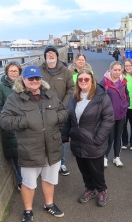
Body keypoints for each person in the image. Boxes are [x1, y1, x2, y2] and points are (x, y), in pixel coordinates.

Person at [0, 65, 68, 222]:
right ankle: (28, 210)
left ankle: (49, 204)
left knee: (50, 180)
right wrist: (24, 121)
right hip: (29, 149)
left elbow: (64, 112)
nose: (35, 81)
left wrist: (56, 118)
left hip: (52, 147)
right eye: (31, 79)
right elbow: (4, 119)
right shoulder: (14, 99)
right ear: (23, 80)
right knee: (28, 183)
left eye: (37, 78)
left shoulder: (50, 95)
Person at [61, 69, 114, 207]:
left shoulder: (101, 97)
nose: (83, 81)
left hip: (94, 141)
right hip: (78, 141)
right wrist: (65, 135)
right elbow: (69, 118)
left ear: (92, 81)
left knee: (96, 170)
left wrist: (98, 139)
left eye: (86, 79)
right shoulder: (74, 97)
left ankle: (102, 190)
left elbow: (108, 119)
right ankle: (90, 189)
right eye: (80, 79)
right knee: (84, 169)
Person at [38, 45, 75, 176]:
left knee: (59, 138)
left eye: (53, 53)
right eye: (48, 53)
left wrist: (63, 105)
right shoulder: (38, 71)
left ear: (57, 56)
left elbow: (71, 89)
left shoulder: (65, 71)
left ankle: (62, 163)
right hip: (42, 112)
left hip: (60, 111)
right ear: (45, 56)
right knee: (43, 138)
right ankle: (45, 163)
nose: (51, 55)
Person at [0, 61, 23, 190]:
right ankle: (22, 182)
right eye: (11, 71)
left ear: (19, 73)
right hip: (10, 127)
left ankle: (27, 180)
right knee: (16, 156)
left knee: (26, 154)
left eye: (15, 71)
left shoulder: (24, 85)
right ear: (6, 72)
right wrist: (6, 122)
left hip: (24, 125)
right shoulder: (0, 88)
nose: (13, 73)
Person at [100, 61, 130, 168]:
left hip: (121, 114)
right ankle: (104, 157)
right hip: (109, 115)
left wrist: (126, 105)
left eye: (119, 70)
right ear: (110, 70)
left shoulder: (123, 81)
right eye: (115, 70)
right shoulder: (104, 82)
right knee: (110, 138)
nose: (117, 72)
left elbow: (126, 95)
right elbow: (99, 97)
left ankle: (117, 157)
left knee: (118, 137)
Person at [121, 58, 132, 150]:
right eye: (126, 65)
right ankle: (124, 142)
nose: (128, 67)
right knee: (123, 125)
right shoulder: (121, 77)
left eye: (130, 65)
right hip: (124, 106)